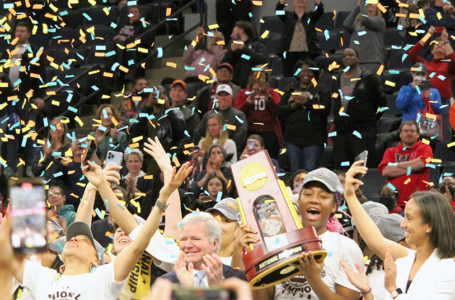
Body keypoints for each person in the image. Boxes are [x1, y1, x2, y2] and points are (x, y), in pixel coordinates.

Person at [1, 156, 191, 300]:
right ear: (62, 263)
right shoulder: (41, 277)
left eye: (84, 241)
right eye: (74, 238)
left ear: (95, 261)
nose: (74, 239)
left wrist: (162, 200)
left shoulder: (104, 277)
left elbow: (139, 243)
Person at [341, 161, 455, 300]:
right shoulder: (403, 261)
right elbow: (375, 240)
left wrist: (394, 291)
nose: (402, 224)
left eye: (409, 218)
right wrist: (350, 196)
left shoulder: (449, 269)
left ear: (429, 225)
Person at [250, 167, 364, 300]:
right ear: (298, 201)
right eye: (308, 194)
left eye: (323, 196)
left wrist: (313, 279)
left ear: (334, 206)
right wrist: (253, 258)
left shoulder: (346, 247)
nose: (314, 200)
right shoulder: (277, 242)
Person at [332, 48, 387, 169]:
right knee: (342, 172)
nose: (347, 57)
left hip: (364, 132)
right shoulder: (337, 78)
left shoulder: (369, 78)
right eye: (344, 56)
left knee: (361, 170)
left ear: (358, 59)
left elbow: (382, 104)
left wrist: (367, 119)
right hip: (342, 133)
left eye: (351, 55)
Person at [161, 212, 247, 286]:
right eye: (183, 239)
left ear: (214, 243)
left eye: (195, 239)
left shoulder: (237, 278)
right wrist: (187, 292)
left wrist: (217, 290)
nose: (187, 245)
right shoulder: (166, 283)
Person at [277, 60, 331, 170]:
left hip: (314, 139)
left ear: (314, 73)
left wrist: (307, 102)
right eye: (302, 71)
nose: (305, 74)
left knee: (310, 170)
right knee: (295, 172)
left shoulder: (321, 89)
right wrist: (294, 105)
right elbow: (280, 111)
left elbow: (325, 109)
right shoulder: (290, 90)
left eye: (309, 71)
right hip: (292, 138)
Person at [409, 26, 455, 141]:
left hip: (443, 104)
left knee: (444, 136)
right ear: (432, 50)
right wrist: (428, 34)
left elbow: (453, 60)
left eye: (442, 45)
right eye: (436, 44)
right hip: (425, 103)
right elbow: (412, 54)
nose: (440, 45)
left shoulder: (449, 65)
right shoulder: (424, 64)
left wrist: (446, 40)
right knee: (424, 138)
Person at [129, 87, 186, 175]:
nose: (158, 96)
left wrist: (168, 108)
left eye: (161, 93)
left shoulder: (175, 113)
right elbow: (135, 136)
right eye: (154, 94)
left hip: (168, 157)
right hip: (147, 160)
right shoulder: (142, 115)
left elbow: (180, 133)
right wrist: (147, 107)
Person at [378, 120, 433, 208]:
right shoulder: (390, 151)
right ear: (400, 134)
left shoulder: (425, 148)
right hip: (394, 204)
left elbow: (421, 164)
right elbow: (385, 171)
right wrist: (413, 166)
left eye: (412, 131)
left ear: (418, 134)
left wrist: (397, 165)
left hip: (418, 203)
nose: (409, 133)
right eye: (406, 131)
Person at [234, 66, 283, 159]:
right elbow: (238, 114)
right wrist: (250, 97)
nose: (259, 75)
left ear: (266, 77)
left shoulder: (272, 92)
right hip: (251, 133)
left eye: (262, 73)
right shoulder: (243, 92)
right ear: (252, 76)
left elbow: (278, 111)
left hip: (269, 133)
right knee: (250, 158)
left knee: (269, 160)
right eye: (256, 72)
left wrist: (267, 95)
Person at [0, 22, 46, 119]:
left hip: (26, 98)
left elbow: (41, 75)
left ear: (28, 34)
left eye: (22, 31)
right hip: (8, 97)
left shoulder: (35, 52)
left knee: (27, 128)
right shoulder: (8, 52)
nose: (19, 34)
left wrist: (40, 96)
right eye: (17, 31)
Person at [194, 84, 248, 156]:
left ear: (231, 97)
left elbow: (240, 139)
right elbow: (198, 134)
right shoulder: (208, 116)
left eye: (226, 95)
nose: (223, 98)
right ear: (216, 98)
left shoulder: (239, 116)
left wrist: (222, 150)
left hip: (231, 154)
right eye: (220, 95)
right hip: (208, 155)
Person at [275, 0, 323, 77]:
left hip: (307, 53)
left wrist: (318, 2)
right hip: (289, 53)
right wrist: (281, 2)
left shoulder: (311, 17)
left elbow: (320, 10)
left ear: (307, 5)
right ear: (293, 3)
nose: (301, 1)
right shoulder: (287, 16)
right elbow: (278, 11)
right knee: (289, 77)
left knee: (307, 76)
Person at [221, 21, 268, 88]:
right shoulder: (231, 49)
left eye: (234, 32)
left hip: (251, 87)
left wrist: (244, 49)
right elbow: (223, 66)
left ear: (241, 31)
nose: (231, 35)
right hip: (232, 88)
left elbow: (263, 60)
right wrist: (230, 52)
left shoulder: (257, 45)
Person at [343, 0, 386, 74]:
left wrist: (363, 3)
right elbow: (346, 24)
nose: (370, 4)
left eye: (373, 3)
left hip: (372, 62)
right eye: (368, 2)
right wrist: (358, 7)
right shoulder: (356, 22)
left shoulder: (380, 21)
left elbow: (365, 21)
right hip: (356, 62)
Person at [31, 117, 71, 187]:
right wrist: (45, 156)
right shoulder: (41, 148)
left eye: (60, 126)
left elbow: (70, 170)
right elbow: (35, 171)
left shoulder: (68, 149)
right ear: (50, 129)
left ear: (64, 130)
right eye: (54, 125)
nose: (57, 128)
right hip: (44, 188)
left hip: (62, 188)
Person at [206, 198, 242, 268]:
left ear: (238, 229)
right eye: (213, 219)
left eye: (224, 220)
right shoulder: (197, 260)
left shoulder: (246, 262)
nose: (216, 225)